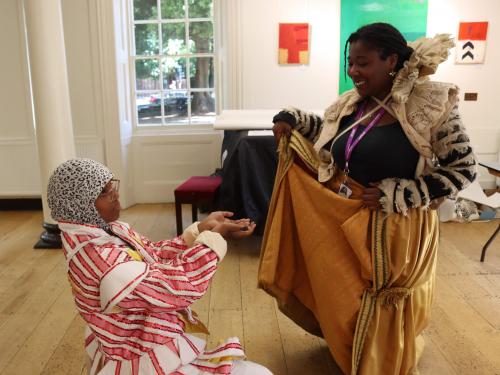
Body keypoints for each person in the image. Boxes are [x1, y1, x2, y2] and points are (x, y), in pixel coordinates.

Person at [259, 23, 477, 375]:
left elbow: (464, 168)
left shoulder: (432, 103)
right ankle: (351, 349)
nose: (353, 72)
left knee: (376, 299)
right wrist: (295, 119)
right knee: (344, 294)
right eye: (350, 62)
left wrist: (405, 192)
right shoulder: (354, 102)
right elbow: (331, 134)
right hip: (347, 217)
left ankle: (380, 360)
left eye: (362, 63)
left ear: (391, 60)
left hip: (395, 231)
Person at [47, 158, 272, 375]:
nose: (114, 193)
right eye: (104, 192)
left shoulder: (104, 230)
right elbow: (177, 286)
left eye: (111, 185)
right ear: (80, 206)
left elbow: (153, 254)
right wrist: (212, 240)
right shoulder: (101, 258)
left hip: (140, 339)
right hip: (140, 353)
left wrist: (201, 230)